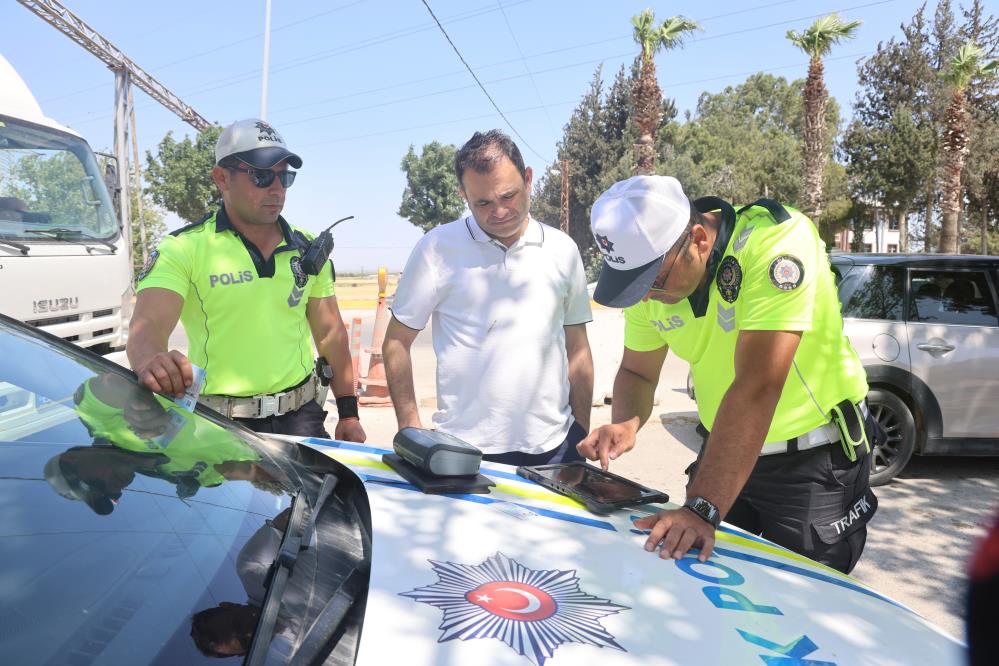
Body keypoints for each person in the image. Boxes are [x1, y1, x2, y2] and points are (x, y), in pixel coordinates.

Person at [578, 175, 878, 574]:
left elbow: (757, 385)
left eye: (651, 281)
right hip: (727, 449)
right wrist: (626, 422)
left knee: (800, 609)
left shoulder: (776, 241)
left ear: (699, 240)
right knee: (708, 592)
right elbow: (637, 370)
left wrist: (701, 507)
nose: (645, 296)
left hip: (812, 463)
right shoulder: (652, 282)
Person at [127, 119, 364, 442]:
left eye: (284, 177)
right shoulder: (184, 248)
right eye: (262, 175)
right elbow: (148, 327)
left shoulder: (307, 248)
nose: (277, 188)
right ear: (221, 178)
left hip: (300, 420)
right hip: (220, 426)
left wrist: (349, 413)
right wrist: (150, 360)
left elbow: (330, 334)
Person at [383, 130, 593, 466]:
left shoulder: (563, 250)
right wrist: (410, 428)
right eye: (482, 202)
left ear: (527, 179)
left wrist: (580, 432)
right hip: (463, 452)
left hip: (556, 451)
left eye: (508, 196)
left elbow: (578, 349)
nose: (498, 212)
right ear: (463, 195)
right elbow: (396, 343)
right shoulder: (436, 249)